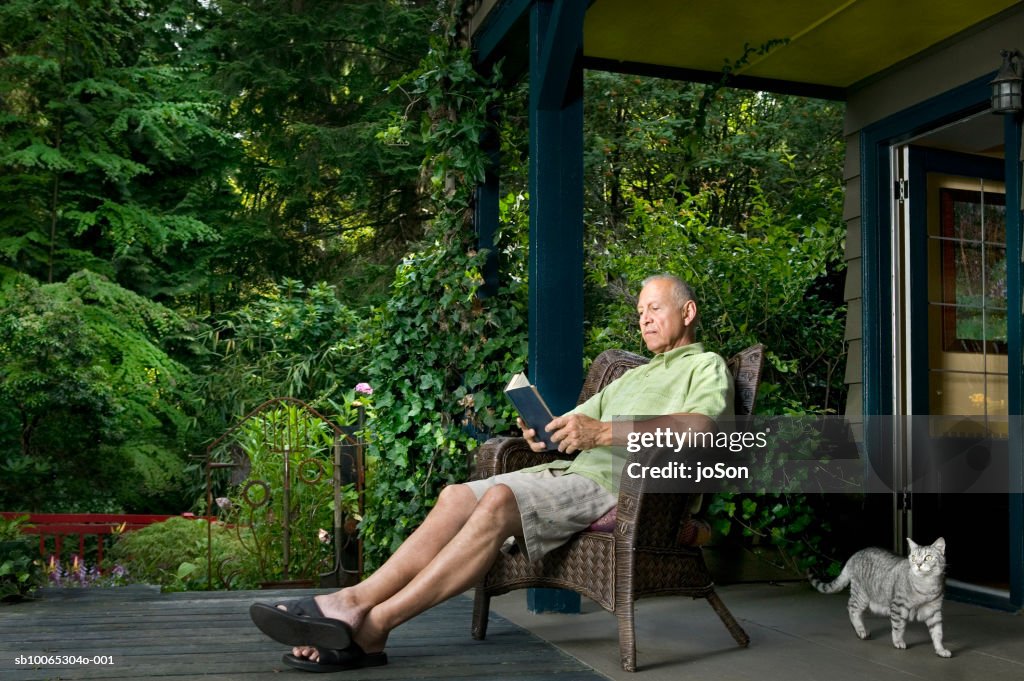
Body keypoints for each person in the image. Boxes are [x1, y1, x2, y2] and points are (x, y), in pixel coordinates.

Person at [249, 273, 733, 672]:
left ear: (687, 312)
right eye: (640, 312)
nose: (645, 319)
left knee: (500, 499)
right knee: (456, 495)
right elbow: (576, 426)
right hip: (569, 475)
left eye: (655, 308)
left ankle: (375, 626)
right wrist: (545, 432)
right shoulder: (632, 375)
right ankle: (353, 600)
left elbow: (702, 428)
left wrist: (602, 435)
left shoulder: (704, 366)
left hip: (619, 488)